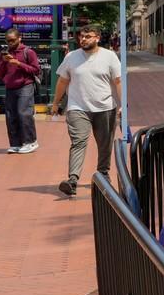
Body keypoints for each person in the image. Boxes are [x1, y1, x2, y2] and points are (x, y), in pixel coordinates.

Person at [50, 25, 122, 197]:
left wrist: (123, 105)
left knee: (104, 143)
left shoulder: (109, 56)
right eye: (81, 36)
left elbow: (118, 81)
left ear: (97, 38)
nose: (83, 39)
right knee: (78, 142)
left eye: (88, 36)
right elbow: (62, 81)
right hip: (77, 107)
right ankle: (72, 180)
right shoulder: (71, 57)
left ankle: (103, 173)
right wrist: (55, 103)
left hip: (105, 107)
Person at [0, 27, 41, 154]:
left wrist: (18, 64)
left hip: (25, 85)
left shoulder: (28, 52)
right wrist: (5, 62)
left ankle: (30, 141)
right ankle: (15, 143)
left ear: (19, 38)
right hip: (10, 86)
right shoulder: (3, 53)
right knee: (11, 116)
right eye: (8, 41)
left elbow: (36, 70)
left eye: (13, 40)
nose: (10, 43)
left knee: (24, 113)